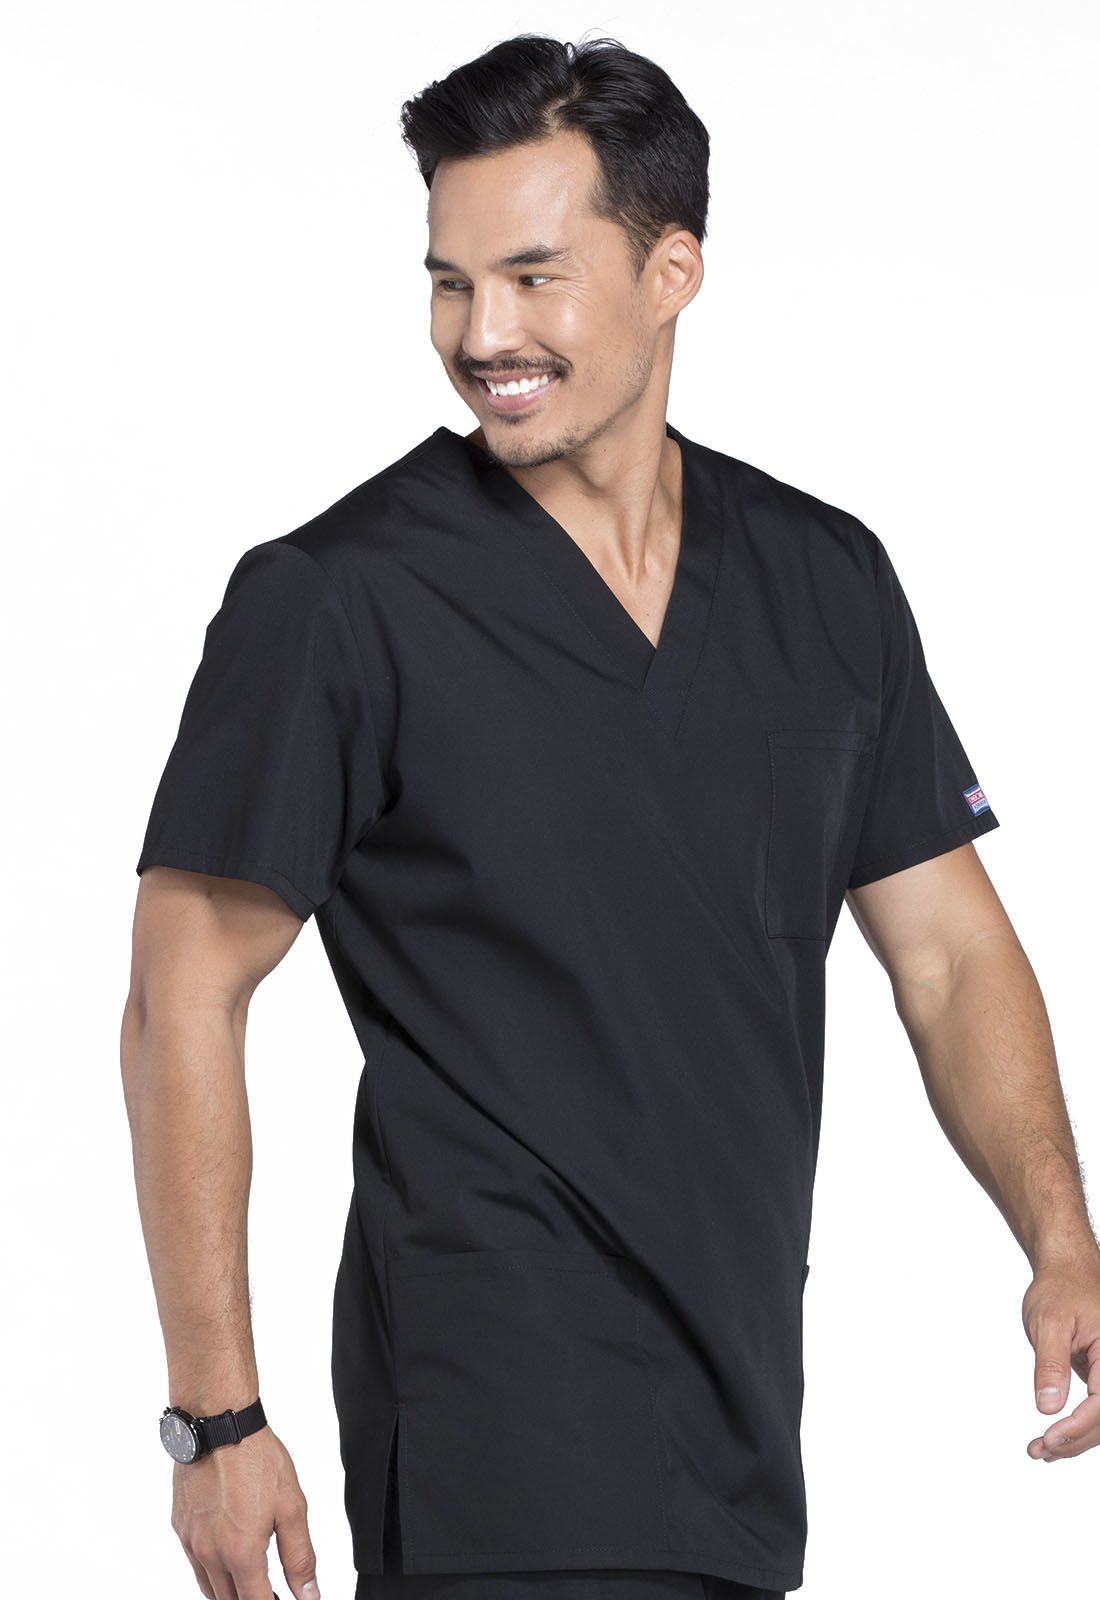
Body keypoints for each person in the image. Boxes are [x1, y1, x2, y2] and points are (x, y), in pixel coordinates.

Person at [120, 30, 1100, 1600]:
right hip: (494, 1406)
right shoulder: (340, 600)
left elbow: (949, 954)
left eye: (534, 278)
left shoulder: (820, 581)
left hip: (740, 1423)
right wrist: (216, 1418)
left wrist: (1061, 1237)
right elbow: (183, 990)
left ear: (672, 271)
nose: (482, 334)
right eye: (451, 283)